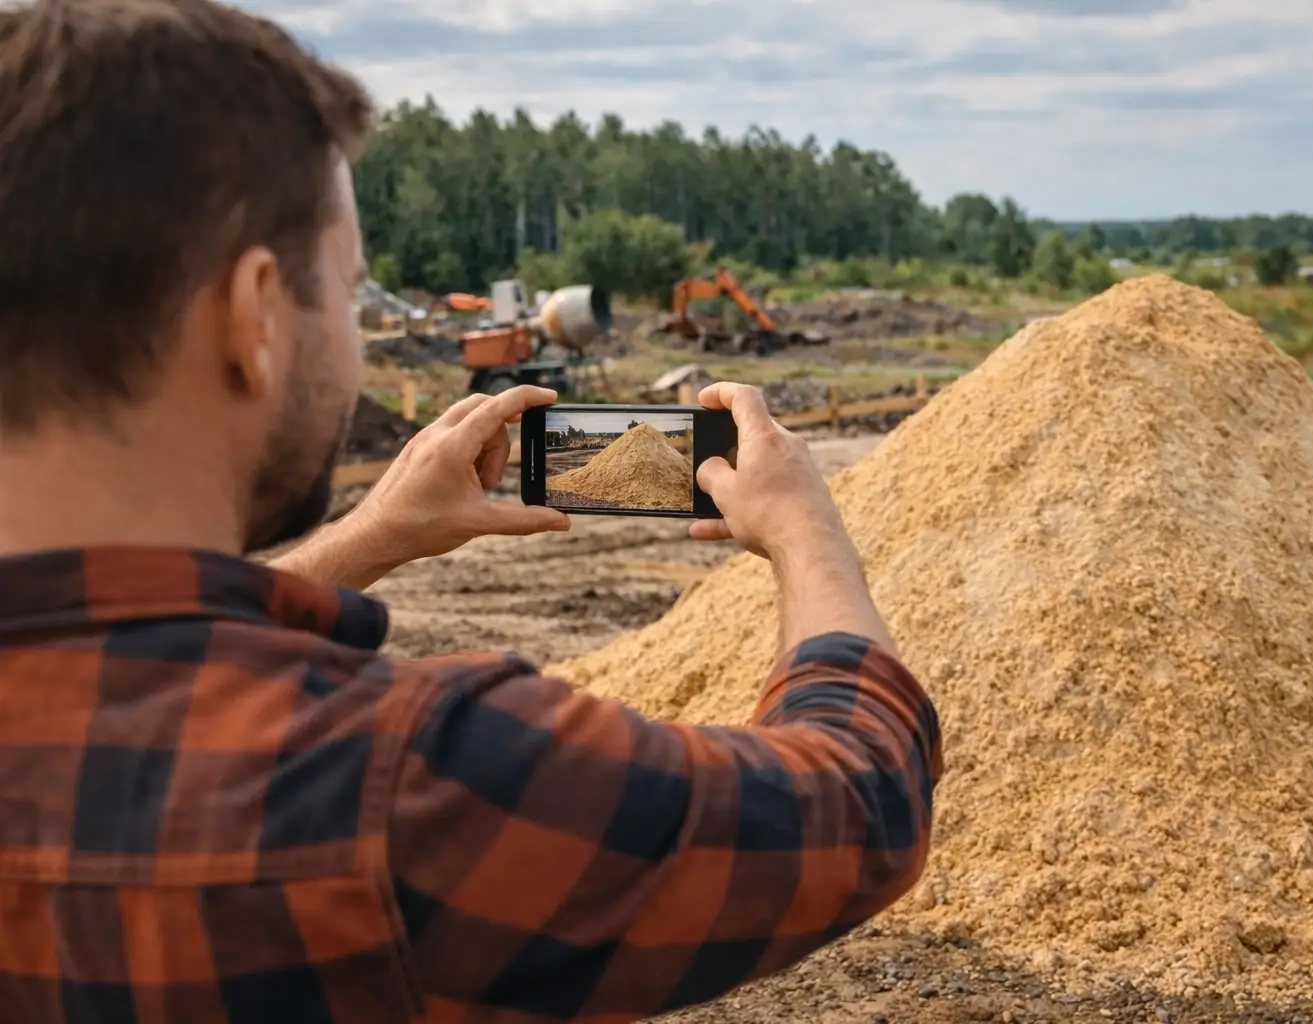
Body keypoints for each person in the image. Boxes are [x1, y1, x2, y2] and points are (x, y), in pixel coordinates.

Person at [0, 1, 943, 1020]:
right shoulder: (403, 782)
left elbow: (121, 651)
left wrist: (370, 533)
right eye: (350, 292)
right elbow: (857, 804)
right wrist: (807, 529)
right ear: (256, 316)